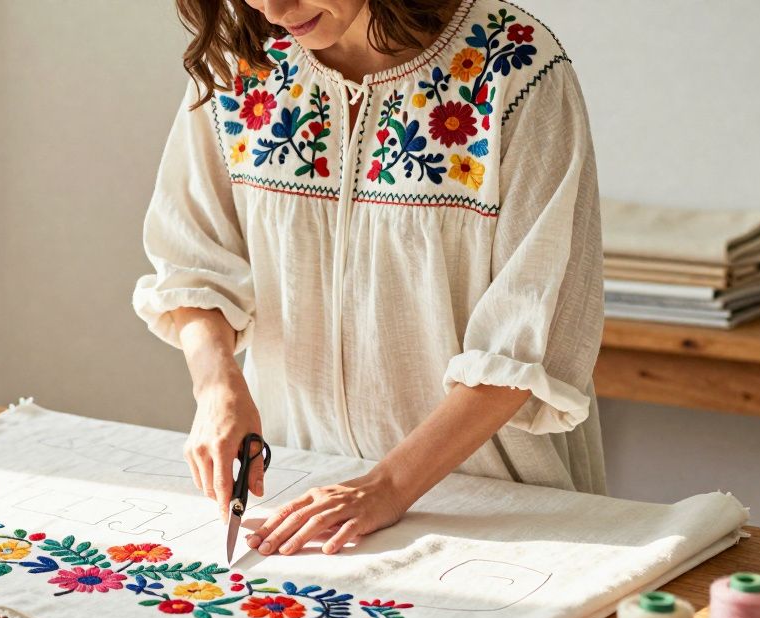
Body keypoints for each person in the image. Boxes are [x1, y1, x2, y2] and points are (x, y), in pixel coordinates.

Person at [133, 0, 605, 557]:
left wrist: (388, 487)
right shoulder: (242, 63)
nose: (275, 10)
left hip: (491, 508)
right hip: (302, 491)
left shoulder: (513, 65)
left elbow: (531, 334)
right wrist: (216, 387)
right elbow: (194, 260)